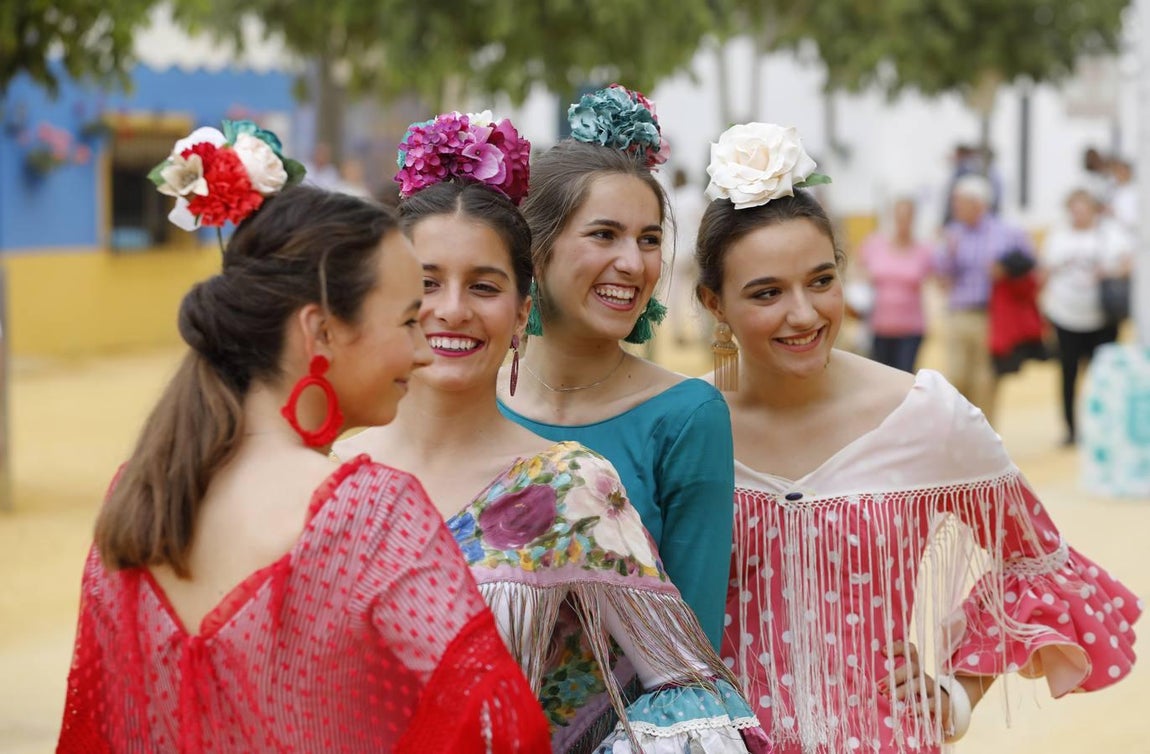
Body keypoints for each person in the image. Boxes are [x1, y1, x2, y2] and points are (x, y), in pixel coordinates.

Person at [56, 122, 550, 754]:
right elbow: (499, 726)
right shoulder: (370, 513)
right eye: (406, 319)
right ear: (319, 332)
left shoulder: (142, 492)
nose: (423, 351)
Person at [695, 121, 1142, 754]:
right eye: (767, 292)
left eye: (821, 281)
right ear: (715, 304)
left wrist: (956, 694)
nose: (804, 313)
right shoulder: (686, 425)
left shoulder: (925, 415)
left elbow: (1037, 562)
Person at [336, 111, 767, 753]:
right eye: (428, 284)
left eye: (649, 239)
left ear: (519, 303)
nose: (452, 308)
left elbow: (685, 681)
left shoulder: (575, 483)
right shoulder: (336, 474)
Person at [496, 85, 735, 650]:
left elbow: (690, 652)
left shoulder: (687, 418)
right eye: (604, 234)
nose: (633, 263)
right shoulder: (468, 397)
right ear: (536, 249)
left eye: (649, 239)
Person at [935, 174, 1034, 424]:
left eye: (960, 202)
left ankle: (985, 436)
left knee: (986, 380)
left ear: (978, 204)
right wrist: (948, 256)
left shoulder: (1006, 232)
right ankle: (960, 434)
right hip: (959, 312)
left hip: (992, 315)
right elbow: (942, 272)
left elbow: (1030, 264)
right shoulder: (953, 233)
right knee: (956, 377)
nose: (955, 207)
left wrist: (1006, 270)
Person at [1039, 188, 1133, 445]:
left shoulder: (1111, 234)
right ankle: (1071, 428)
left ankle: (1103, 428)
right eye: (1074, 208)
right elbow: (1044, 272)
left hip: (1101, 318)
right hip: (1066, 315)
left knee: (1103, 377)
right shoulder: (1058, 236)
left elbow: (1128, 263)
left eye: (1083, 208)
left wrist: (1110, 271)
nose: (1078, 213)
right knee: (1068, 373)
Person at [857, 197, 933, 372]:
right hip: (879, 325)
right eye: (899, 216)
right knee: (881, 376)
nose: (903, 221)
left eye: (907, 217)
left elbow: (937, 279)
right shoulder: (874, 244)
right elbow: (857, 270)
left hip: (911, 328)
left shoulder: (924, 250)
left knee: (905, 375)